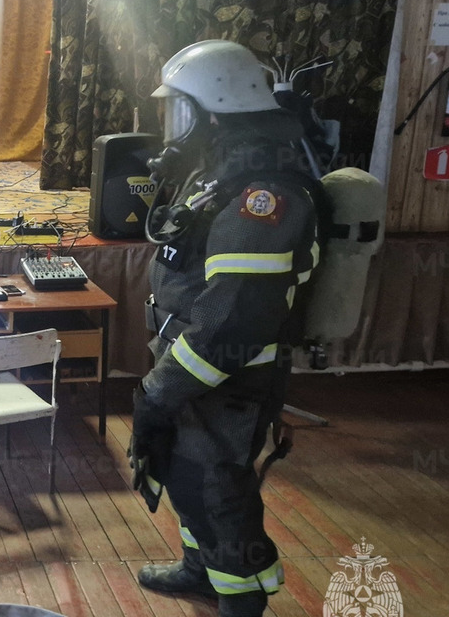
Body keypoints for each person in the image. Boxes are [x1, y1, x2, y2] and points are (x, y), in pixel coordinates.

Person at [128, 40, 324, 617]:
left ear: (213, 111)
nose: (171, 126)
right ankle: (199, 570)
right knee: (185, 476)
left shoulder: (263, 197)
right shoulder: (221, 171)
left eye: (178, 111)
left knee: (218, 490)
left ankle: (241, 599)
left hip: (229, 376)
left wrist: (161, 389)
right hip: (193, 366)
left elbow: (234, 319)